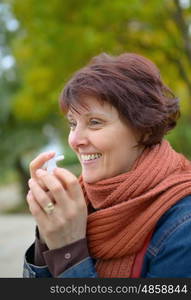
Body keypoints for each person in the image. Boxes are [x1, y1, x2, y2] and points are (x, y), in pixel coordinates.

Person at [23, 52, 191, 278]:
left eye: (94, 122)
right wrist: (48, 235)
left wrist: (68, 253)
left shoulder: (183, 227)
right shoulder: (79, 204)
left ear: (145, 128)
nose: (74, 140)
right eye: (73, 124)